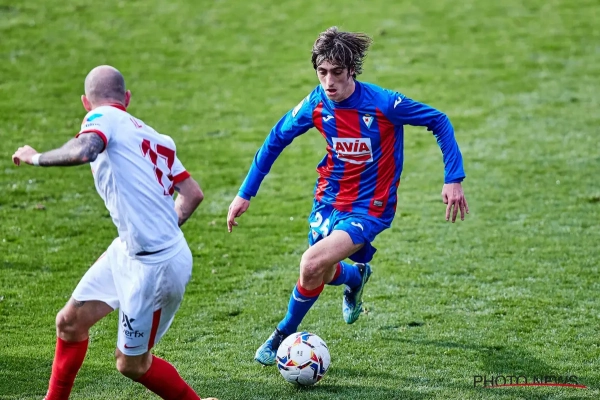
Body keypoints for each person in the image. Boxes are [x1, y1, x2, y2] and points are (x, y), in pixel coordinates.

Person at [226, 27, 469, 366]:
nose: (329, 82)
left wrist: (453, 178)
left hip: (370, 206)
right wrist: (245, 192)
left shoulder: (383, 103)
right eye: (322, 72)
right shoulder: (316, 103)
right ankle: (356, 277)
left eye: (337, 72)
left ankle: (281, 335)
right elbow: (276, 139)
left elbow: (438, 120)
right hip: (327, 201)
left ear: (352, 70)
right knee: (320, 274)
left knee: (311, 263)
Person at [12, 66, 217, 400]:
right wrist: (153, 227)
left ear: (85, 103)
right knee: (69, 322)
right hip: (128, 250)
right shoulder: (155, 137)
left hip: (155, 267)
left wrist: (34, 158)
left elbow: (84, 150)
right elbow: (192, 194)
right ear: (128, 98)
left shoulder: (101, 117)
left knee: (132, 364)